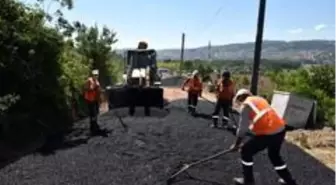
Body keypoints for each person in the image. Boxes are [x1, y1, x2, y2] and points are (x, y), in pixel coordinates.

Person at [230, 89, 297, 185]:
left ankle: (248, 181)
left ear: (240, 98)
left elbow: (242, 129)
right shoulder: (260, 100)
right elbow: (262, 119)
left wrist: (236, 144)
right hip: (280, 130)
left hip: (268, 133)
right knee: (274, 155)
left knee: (246, 151)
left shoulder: (246, 106)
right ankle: (289, 181)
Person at [84, 69, 104, 135]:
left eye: (97, 75)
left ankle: (95, 124)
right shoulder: (89, 80)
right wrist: (92, 88)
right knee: (93, 113)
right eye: (95, 75)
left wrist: (100, 93)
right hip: (89, 100)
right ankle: (92, 127)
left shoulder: (97, 82)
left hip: (95, 99)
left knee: (96, 113)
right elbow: (86, 88)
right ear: (92, 75)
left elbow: (99, 91)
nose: (96, 76)